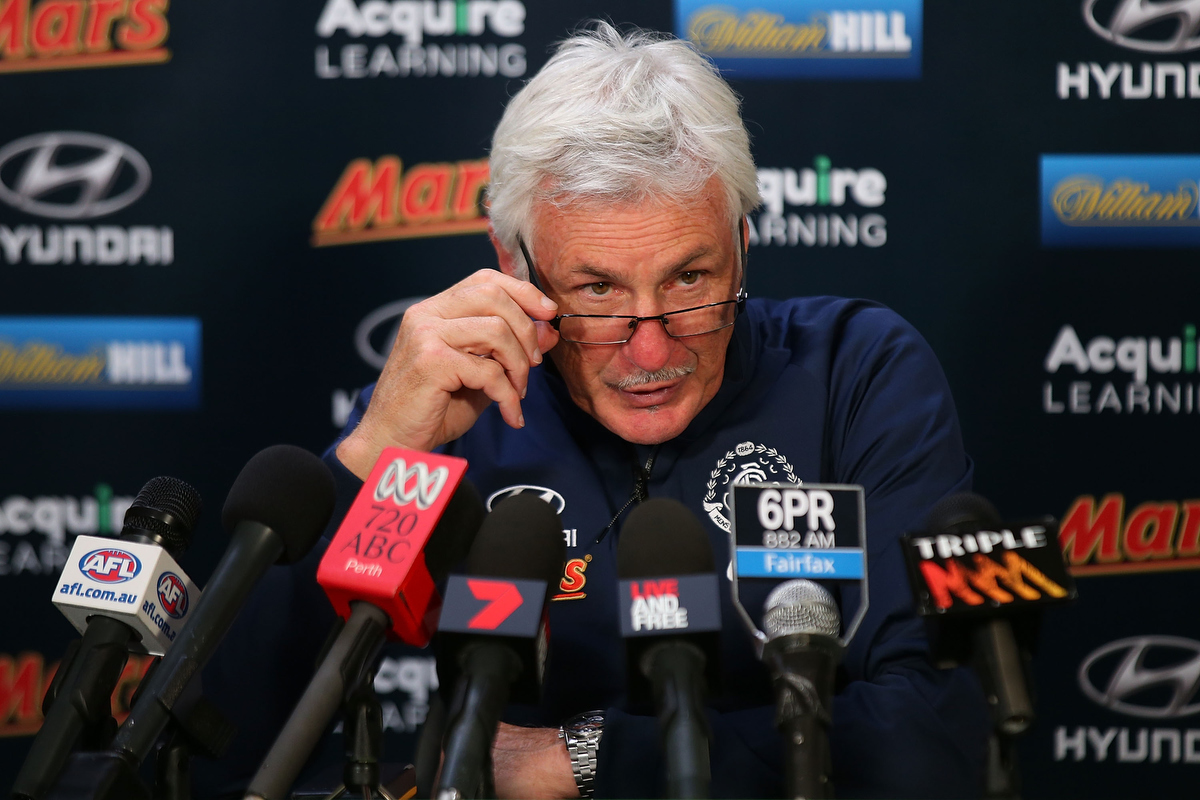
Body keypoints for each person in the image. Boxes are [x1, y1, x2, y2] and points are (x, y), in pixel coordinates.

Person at [205, 22, 989, 799]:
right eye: (597, 291)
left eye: (690, 280)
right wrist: (376, 454)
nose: (650, 351)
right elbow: (216, 747)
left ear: (743, 243)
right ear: (514, 263)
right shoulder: (460, 404)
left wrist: (581, 762)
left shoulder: (855, 372)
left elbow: (936, 739)